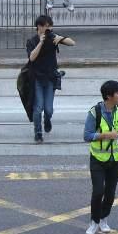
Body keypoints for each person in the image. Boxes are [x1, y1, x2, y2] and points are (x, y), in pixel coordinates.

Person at [83, 80, 118, 234]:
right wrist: (106, 135)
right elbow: (87, 135)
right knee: (98, 191)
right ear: (108, 96)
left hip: (116, 159)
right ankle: (94, 222)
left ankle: (104, 219)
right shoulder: (95, 112)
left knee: (110, 192)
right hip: (98, 159)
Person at [26, 15, 75, 143]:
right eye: (46, 26)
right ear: (39, 27)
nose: (49, 29)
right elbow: (32, 58)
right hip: (36, 78)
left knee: (48, 109)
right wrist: (41, 42)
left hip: (50, 78)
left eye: (50, 26)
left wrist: (61, 38)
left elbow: (72, 43)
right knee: (38, 108)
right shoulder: (32, 41)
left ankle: (47, 119)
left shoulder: (53, 37)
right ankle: (38, 132)